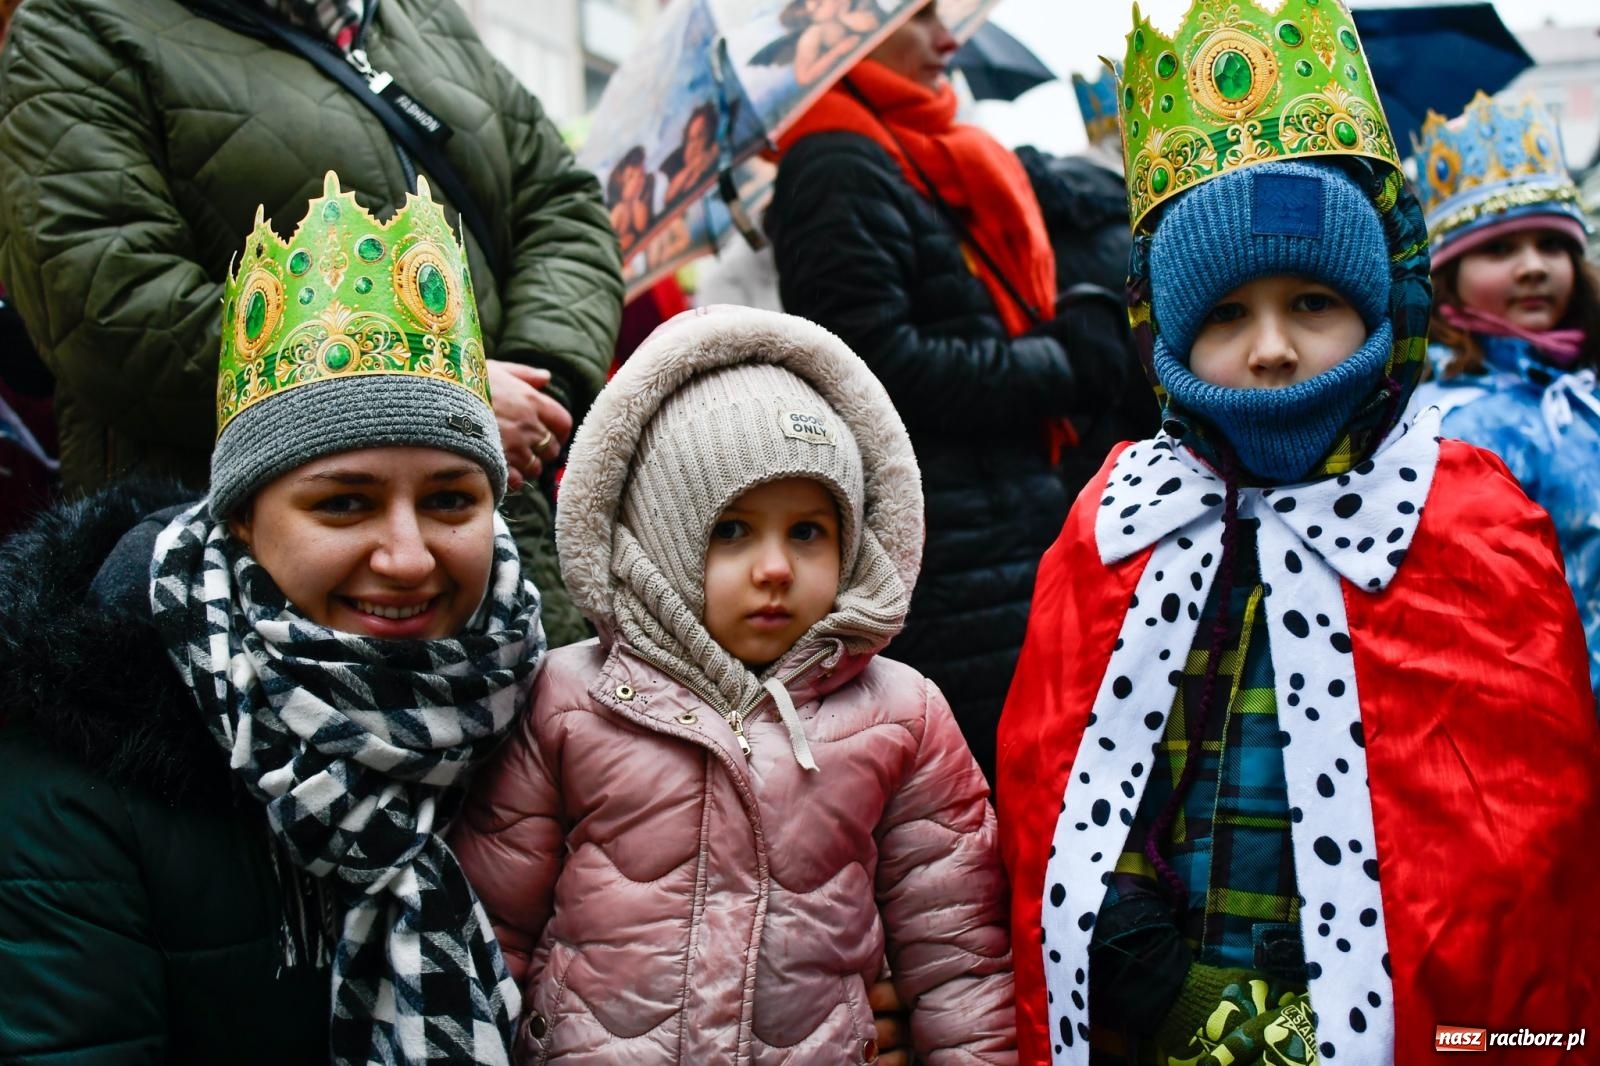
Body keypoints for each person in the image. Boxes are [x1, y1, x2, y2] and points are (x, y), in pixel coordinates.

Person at [997, 4, 1600, 1064]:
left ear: (1386, 309)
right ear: (1165, 334)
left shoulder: (1470, 521)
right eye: (1225, 314)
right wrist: (1151, 971)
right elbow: (1064, 797)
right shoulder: (1115, 526)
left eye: (1313, 299)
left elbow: (1520, 860)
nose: (1272, 350)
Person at [0, 175, 544, 1064]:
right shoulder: (78, 772)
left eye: (451, 499)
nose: (408, 557)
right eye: (343, 505)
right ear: (242, 517)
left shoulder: (545, 709)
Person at [448, 305, 1014, 1063]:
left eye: (808, 531)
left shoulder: (901, 716)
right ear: (662, 537)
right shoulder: (570, 701)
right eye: (732, 530)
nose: (775, 567)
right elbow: (494, 929)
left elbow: (959, 959)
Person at [0, 0, 622, 647]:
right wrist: (449, 393)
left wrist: (533, 389)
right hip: (236, 582)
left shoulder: (423, 17)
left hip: (501, 538)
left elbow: (564, 205)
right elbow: (107, 298)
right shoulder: (81, 23)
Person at [764, 1, 1133, 783]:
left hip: (999, 528)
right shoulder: (835, 160)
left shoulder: (917, 151)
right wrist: (1058, 364)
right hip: (952, 557)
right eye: (919, 14)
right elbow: (878, 366)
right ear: (844, 25)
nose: (948, 36)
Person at [1409, 91, 1600, 699]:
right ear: (1448, 278)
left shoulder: (1584, 388)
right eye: (1498, 249)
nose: (1533, 267)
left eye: (1551, 244)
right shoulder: (1449, 427)